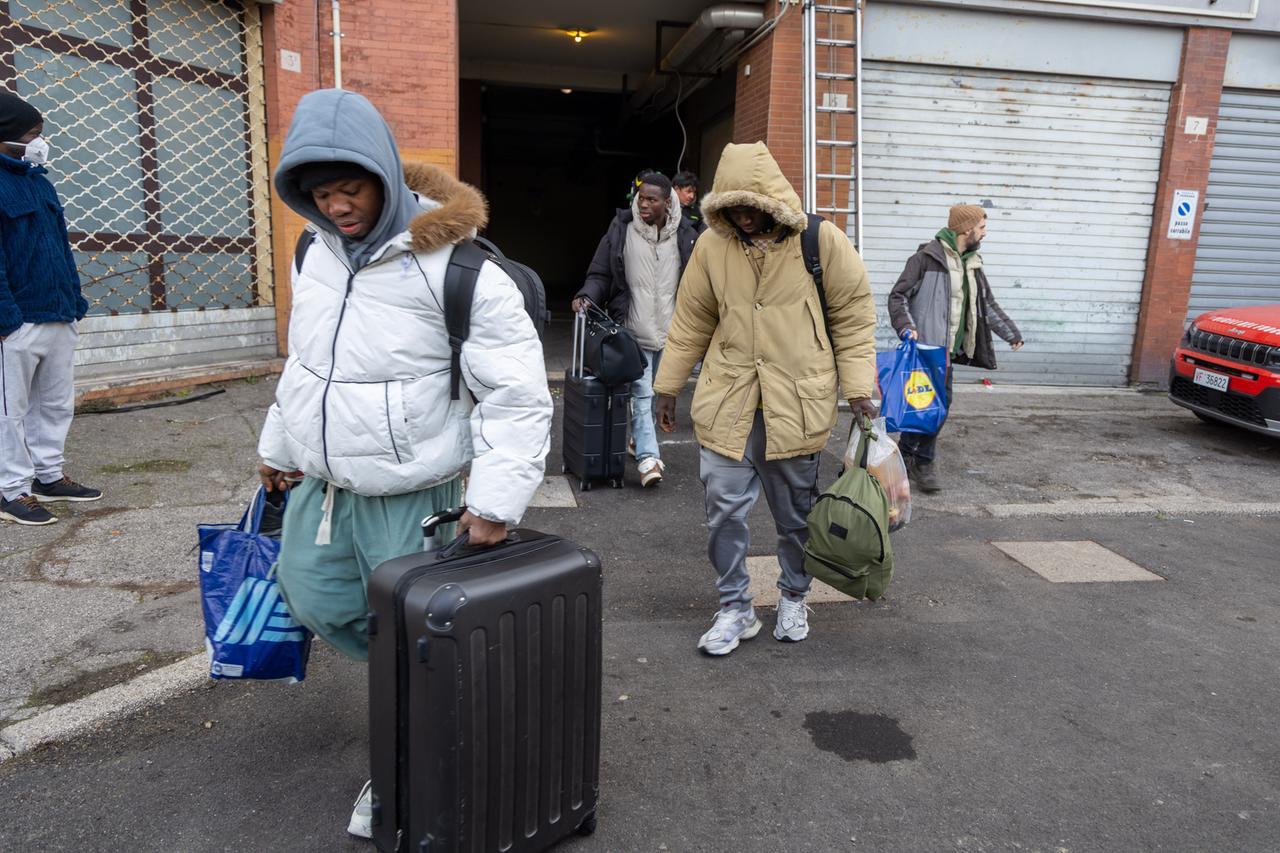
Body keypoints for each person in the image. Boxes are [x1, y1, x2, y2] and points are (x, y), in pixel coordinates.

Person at [258, 89, 552, 839]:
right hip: (327, 487)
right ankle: (441, 701)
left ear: (383, 175)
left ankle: (407, 765)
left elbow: (516, 396)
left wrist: (495, 502)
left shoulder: (462, 269)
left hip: (416, 494)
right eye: (319, 193)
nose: (337, 206)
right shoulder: (313, 251)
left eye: (349, 189)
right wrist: (279, 448)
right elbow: (307, 366)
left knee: (414, 642)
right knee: (314, 596)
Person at [652, 142, 877, 655]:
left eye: (751, 206)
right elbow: (691, 321)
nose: (744, 217)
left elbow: (853, 317)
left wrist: (859, 389)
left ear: (772, 199)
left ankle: (794, 595)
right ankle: (735, 607)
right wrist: (667, 386)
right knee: (723, 515)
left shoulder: (820, 240)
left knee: (796, 519)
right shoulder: (712, 247)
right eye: (732, 208)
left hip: (797, 405)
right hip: (727, 404)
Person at [0, 92, 101, 526]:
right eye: (31, 134)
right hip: (18, 321)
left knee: (56, 404)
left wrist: (74, 302)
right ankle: (11, 490)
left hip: (58, 313)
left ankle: (49, 476)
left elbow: (60, 246)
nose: (39, 142)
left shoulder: (41, 182)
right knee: (9, 413)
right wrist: (7, 320)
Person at [572, 171, 699, 487]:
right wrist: (587, 295)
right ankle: (648, 459)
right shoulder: (621, 229)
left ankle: (635, 441)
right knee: (641, 394)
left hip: (672, 333)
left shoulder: (687, 234)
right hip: (633, 330)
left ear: (667, 202)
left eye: (651, 200)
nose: (643, 204)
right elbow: (601, 273)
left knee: (659, 393)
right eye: (641, 198)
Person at [887, 204, 1023, 494]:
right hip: (925, 348)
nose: (984, 233)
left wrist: (1010, 333)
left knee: (937, 405)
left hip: (948, 352)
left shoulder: (972, 264)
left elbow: (987, 304)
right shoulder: (925, 260)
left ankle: (911, 455)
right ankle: (921, 461)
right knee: (927, 405)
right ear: (966, 229)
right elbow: (898, 296)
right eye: (981, 227)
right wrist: (906, 326)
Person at [673, 169, 706, 234]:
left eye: (694, 192)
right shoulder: (665, 208)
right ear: (676, 189)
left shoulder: (698, 211)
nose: (692, 196)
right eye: (689, 191)